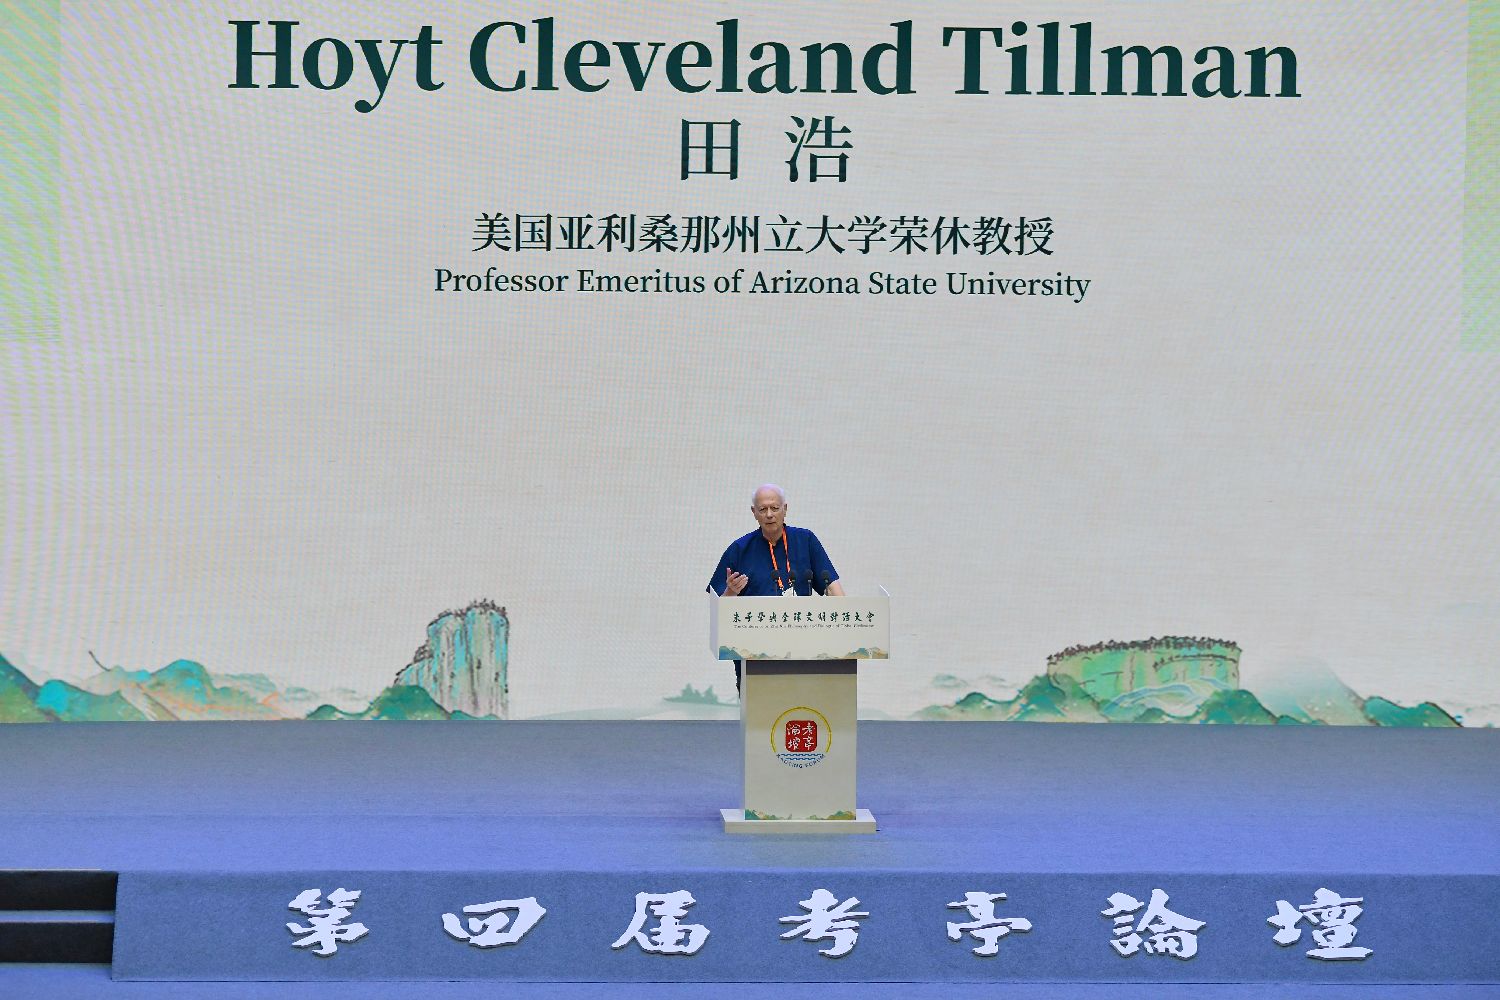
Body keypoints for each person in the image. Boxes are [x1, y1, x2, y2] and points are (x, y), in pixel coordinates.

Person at [706, 484, 844, 691]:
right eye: (763, 509)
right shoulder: (739, 550)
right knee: (762, 708)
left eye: (775, 508)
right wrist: (731, 592)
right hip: (754, 653)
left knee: (802, 704)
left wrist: (846, 622)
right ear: (754, 512)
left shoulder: (806, 540)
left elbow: (832, 587)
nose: (769, 514)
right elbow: (719, 609)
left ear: (785, 509)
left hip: (803, 648)